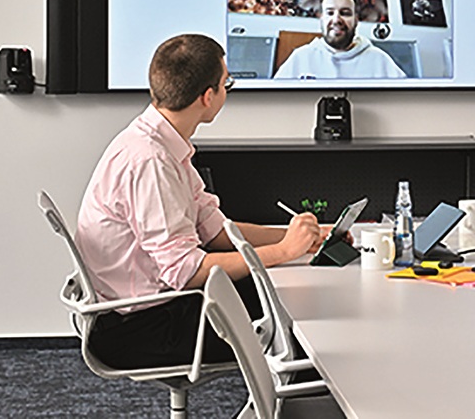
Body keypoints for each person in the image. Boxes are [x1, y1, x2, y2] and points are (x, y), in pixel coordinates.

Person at [75, 34, 331, 368]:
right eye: (228, 84)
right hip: (139, 328)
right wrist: (284, 252)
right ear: (208, 97)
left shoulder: (163, 142)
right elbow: (185, 271)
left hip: (154, 307)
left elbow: (216, 232)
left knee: (287, 292)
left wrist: (299, 236)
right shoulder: (150, 161)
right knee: (296, 314)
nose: (227, 91)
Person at [273, 0, 407, 79]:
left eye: (345, 13)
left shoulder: (380, 60)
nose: (336, 19)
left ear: (356, 19)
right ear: (321, 18)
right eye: (330, 13)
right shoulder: (300, 58)